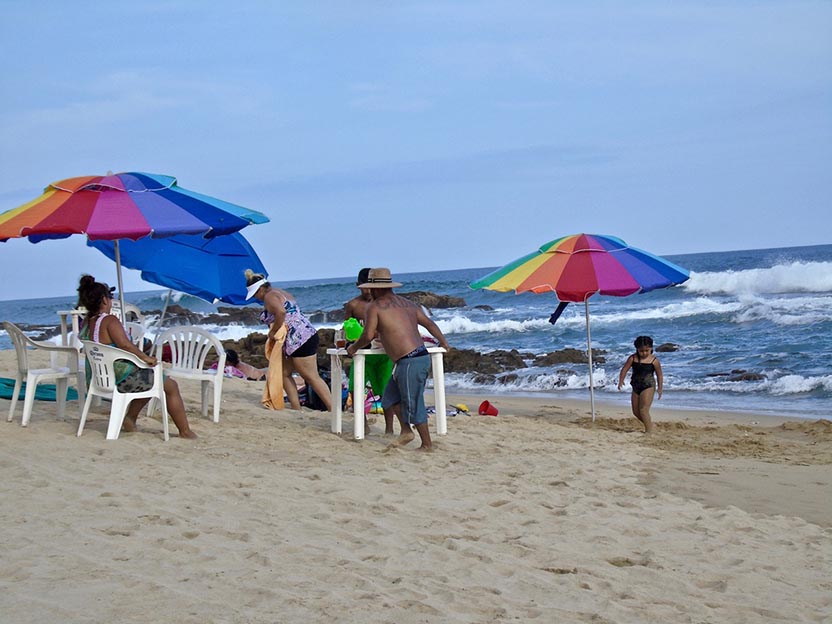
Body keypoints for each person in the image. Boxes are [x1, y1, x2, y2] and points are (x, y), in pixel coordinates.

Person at [76, 275, 197, 439]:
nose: (111, 301)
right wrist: (145, 357)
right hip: (120, 379)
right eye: (110, 298)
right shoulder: (110, 321)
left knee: (152, 376)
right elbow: (125, 345)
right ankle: (185, 432)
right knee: (170, 385)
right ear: (104, 300)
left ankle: (130, 419)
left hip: (98, 378)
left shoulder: (87, 323)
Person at [346, 268, 450, 451]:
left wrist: (353, 347)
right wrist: (443, 342)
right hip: (415, 358)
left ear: (374, 289)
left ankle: (427, 444)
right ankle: (406, 431)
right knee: (389, 399)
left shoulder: (374, 307)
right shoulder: (408, 304)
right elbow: (429, 324)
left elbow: (368, 334)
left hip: (411, 360)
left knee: (413, 402)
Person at [245, 269, 332, 411]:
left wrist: (273, 332)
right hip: (303, 335)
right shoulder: (281, 293)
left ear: (261, 289)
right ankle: (296, 408)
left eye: (255, 294)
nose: (256, 298)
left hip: (300, 339)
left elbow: (281, 312)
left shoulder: (269, 297)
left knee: (311, 377)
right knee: (284, 373)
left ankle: (332, 408)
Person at [343, 268, 395, 434]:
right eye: (364, 287)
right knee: (355, 388)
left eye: (369, 287)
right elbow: (348, 329)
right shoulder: (353, 305)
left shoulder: (384, 304)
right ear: (358, 286)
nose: (367, 291)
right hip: (362, 355)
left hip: (382, 355)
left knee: (387, 390)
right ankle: (363, 424)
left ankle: (389, 427)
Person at [617, 335, 663, 434]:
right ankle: (650, 425)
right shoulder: (632, 358)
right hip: (636, 386)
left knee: (643, 410)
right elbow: (624, 369)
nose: (644, 353)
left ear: (651, 348)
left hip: (648, 385)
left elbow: (659, 375)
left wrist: (660, 388)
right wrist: (621, 380)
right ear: (637, 349)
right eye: (641, 351)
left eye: (647, 350)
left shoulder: (654, 361)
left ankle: (649, 432)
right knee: (636, 412)